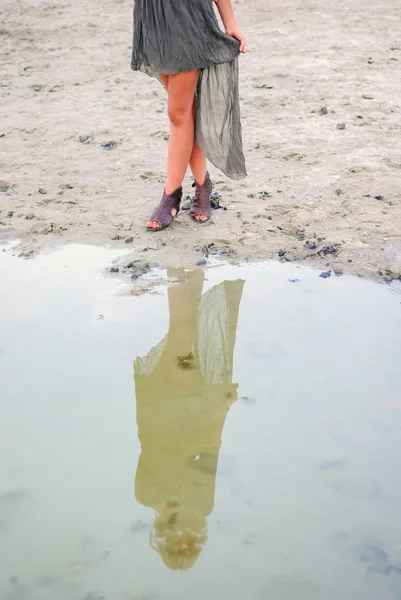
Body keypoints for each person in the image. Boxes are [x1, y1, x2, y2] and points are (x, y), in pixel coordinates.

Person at [133, 270, 244, 569]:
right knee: (188, 329)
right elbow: (211, 451)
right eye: (192, 542)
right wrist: (222, 408)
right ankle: (189, 265)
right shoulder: (203, 506)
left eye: (175, 543)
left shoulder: (145, 495)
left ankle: (181, 265)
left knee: (182, 331)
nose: (185, 535)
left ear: (162, 536)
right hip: (197, 413)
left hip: (162, 409)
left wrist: (173, 503)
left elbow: (166, 455)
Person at [131, 0, 247, 231]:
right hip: (152, 15)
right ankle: (203, 184)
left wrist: (230, 21)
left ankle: (170, 196)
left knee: (177, 114)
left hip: (187, 16)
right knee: (186, 112)